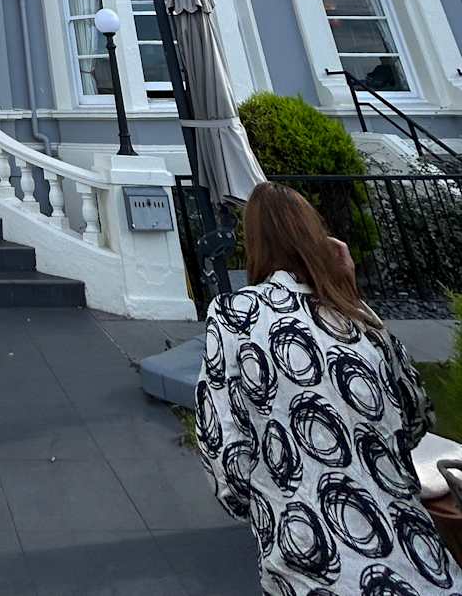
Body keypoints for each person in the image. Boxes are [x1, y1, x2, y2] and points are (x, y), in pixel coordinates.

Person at [196, 181, 459, 595]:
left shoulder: (234, 314)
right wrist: (350, 292)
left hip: (309, 559)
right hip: (418, 561)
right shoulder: (359, 317)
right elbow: (414, 418)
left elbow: (221, 445)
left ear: (255, 243)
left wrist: (269, 499)